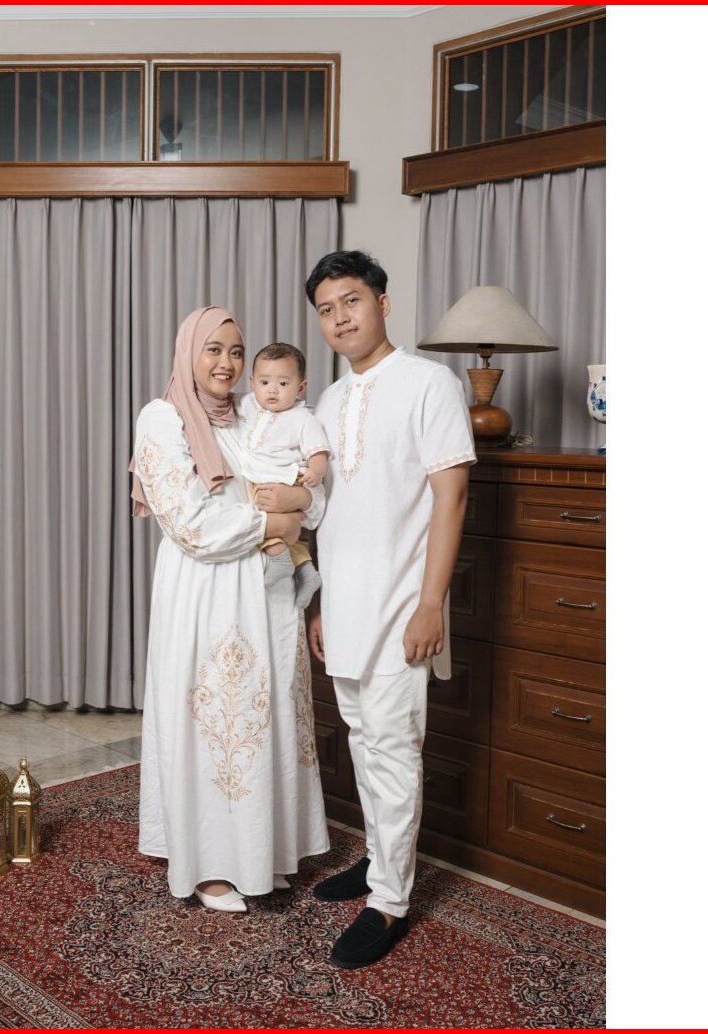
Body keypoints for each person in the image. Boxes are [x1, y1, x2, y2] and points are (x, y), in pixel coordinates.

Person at [303, 251, 475, 968]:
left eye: (352, 300)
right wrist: (318, 600)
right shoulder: (327, 403)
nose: (341, 317)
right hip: (343, 605)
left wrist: (432, 604)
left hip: (403, 605)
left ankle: (390, 904)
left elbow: (451, 497)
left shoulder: (431, 383)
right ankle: (379, 861)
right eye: (327, 309)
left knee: (395, 749)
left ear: (383, 302)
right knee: (361, 741)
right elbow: (327, 512)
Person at [130, 305, 330, 914]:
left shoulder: (252, 415)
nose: (227, 363)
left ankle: (264, 852)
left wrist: (298, 502)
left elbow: (316, 497)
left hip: (268, 591)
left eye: (236, 351)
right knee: (216, 723)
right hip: (207, 592)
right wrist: (277, 521)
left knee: (267, 719)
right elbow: (189, 522)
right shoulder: (163, 417)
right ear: (187, 352)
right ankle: (210, 862)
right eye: (213, 349)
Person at [233, 342, 328, 610]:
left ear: (300, 387)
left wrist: (316, 471)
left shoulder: (302, 419)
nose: (272, 390)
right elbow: (224, 402)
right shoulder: (248, 405)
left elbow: (319, 450)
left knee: (266, 523)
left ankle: (279, 562)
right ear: (252, 383)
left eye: (284, 384)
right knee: (267, 523)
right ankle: (306, 570)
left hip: (287, 479)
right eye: (264, 382)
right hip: (259, 480)